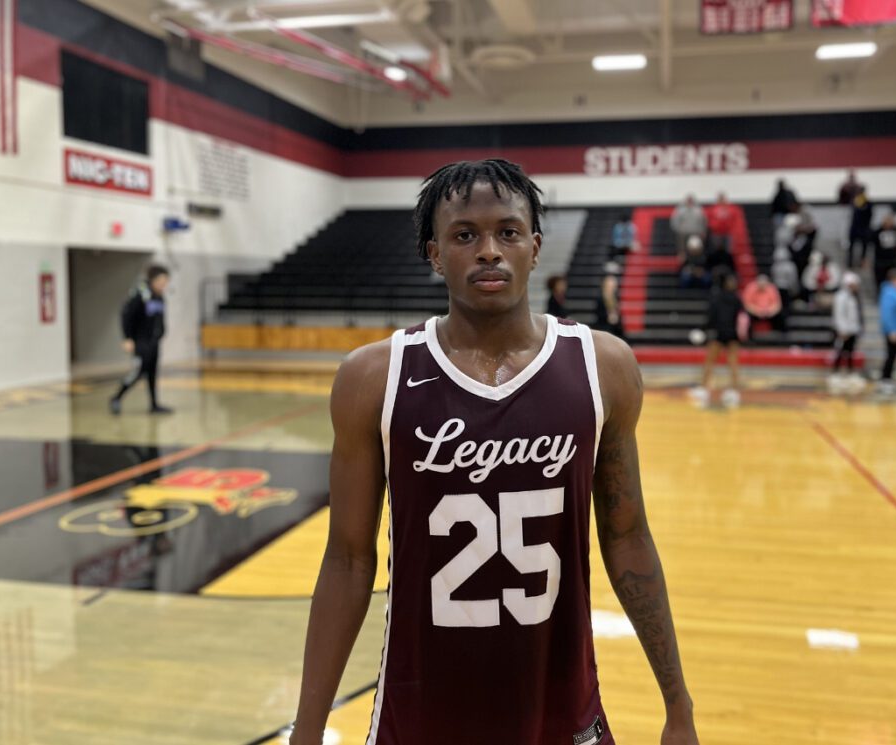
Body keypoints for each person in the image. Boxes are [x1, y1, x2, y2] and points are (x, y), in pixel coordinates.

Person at [288, 159, 698, 745]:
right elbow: (348, 562)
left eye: (508, 232)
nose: (488, 251)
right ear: (434, 255)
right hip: (421, 716)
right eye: (464, 235)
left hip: (562, 712)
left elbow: (628, 537)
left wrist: (678, 706)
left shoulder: (602, 366)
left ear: (535, 247)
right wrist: (306, 730)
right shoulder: (373, 378)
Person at [109, 265, 172, 415]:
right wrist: (128, 338)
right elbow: (126, 315)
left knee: (152, 373)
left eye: (166, 282)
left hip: (154, 341)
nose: (164, 284)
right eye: (161, 281)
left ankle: (154, 404)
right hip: (140, 341)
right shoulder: (141, 294)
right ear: (153, 280)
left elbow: (159, 318)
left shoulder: (159, 296)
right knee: (139, 372)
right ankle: (116, 397)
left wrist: (161, 333)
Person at [691, 271, 743, 409]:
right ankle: (734, 390)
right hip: (732, 334)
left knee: (711, 361)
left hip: (720, 333)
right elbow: (742, 317)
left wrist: (703, 329)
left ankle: (704, 389)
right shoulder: (737, 299)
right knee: (732, 362)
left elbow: (711, 317)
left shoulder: (717, 298)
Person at [830, 272, 863, 390]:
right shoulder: (841, 297)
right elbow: (839, 314)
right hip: (843, 330)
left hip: (852, 329)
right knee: (840, 352)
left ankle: (850, 372)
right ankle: (835, 373)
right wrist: (842, 330)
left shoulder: (853, 296)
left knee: (850, 352)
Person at [872, 215, 896, 288]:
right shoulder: (878, 232)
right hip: (881, 261)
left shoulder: (895, 231)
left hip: (892, 261)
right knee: (880, 281)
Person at [847, 188, 873, 268]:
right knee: (851, 246)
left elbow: (870, 215)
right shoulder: (855, 202)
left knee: (864, 246)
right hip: (855, 228)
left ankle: (862, 261)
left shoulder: (868, 203)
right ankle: (850, 262)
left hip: (864, 228)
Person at [595, 272, 626, 339]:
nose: (612, 287)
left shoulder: (615, 298)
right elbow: (598, 314)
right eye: (610, 285)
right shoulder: (600, 298)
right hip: (604, 326)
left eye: (613, 285)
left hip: (615, 327)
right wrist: (608, 317)